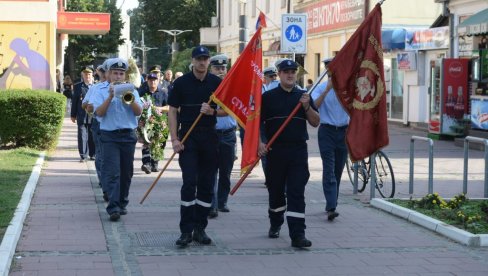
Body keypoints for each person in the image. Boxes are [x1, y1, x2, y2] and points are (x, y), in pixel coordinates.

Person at [259, 59, 319, 248]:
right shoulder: (268, 97)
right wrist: (260, 142)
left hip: (297, 151)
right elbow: (257, 124)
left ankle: (298, 234)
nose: (290, 74)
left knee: (296, 192)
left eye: (293, 71)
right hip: (275, 151)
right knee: (276, 192)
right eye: (286, 71)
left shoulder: (304, 96)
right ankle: (276, 222)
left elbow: (316, 122)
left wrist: (307, 106)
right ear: (279, 74)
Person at [167, 45, 222, 247]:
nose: (202, 62)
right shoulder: (181, 83)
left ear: (209, 61)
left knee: (207, 185)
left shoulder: (217, 83)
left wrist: (213, 112)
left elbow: (228, 110)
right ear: (192, 60)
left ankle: (200, 228)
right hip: (188, 138)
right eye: (199, 58)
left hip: (209, 137)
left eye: (205, 59)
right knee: (189, 183)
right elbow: (172, 111)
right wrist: (174, 139)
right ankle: (185, 231)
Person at [91, 58, 143, 222]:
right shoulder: (100, 90)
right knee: (112, 172)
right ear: (108, 74)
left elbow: (138, 111)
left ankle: (122, 203)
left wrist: (128, 98)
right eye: (115, 73)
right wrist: (110, 96)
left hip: (128, 135)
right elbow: (98, 113)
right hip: (109, 136)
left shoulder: (131, 90)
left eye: (121, 73)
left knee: (126, 173)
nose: (118, 76)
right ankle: (113, 207)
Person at [310, 57, 350, 221]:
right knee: (329, 168)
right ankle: (332, 206)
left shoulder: (348, 89)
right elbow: (314, 106)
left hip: (344, 132)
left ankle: (331, 201)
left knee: (338, 169)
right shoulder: (320, 87)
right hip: (326, 131)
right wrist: (327, 90)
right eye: (330, 72)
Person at [207, 54, 236, 219]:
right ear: (211, 69)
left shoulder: (232, 86)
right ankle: (211, 204)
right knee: (211, 170)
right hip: (211, 133)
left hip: (228, 134)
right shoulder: (207, 86)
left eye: (223, 68)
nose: (220, 71)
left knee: (226, 170)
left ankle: (222, 201)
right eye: (217, 68)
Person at [138, 72, 168, 173]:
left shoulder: (163, 93)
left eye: (154, 80)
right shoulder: (142, 92)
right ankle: (146, 164)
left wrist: (157, 109)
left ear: (158, 81)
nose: (152, 82)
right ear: (147, 81)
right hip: (146, 121)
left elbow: (169, 107)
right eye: (150, 80)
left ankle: (155, 162)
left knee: (160, 143)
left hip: (160, 122)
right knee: (147, 141)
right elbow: (137, 106)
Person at [71, 66, 95, 162]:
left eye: (89, 74)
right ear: (82, 75)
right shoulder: (78, 86)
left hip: (93, 116)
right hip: (82, 115)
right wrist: (73, 115)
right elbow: (75, 102)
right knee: (82, 136)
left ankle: (93, 154)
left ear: (92, 75)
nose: (87, 76)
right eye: (85, 74)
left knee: (92, 135)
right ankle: (83, 155)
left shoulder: (96, 86)